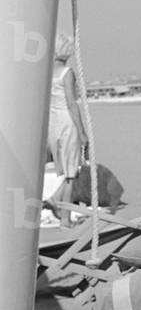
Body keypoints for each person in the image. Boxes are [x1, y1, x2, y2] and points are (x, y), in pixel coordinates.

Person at [47, 32, 89, 225]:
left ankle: (55, 200)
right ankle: (64, 219)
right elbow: (72, 104)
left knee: (65, 170)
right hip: (67, 122)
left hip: (53, 124)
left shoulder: (46, 73)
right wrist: (81, 132)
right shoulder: (67, 72)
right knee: (72, 174)